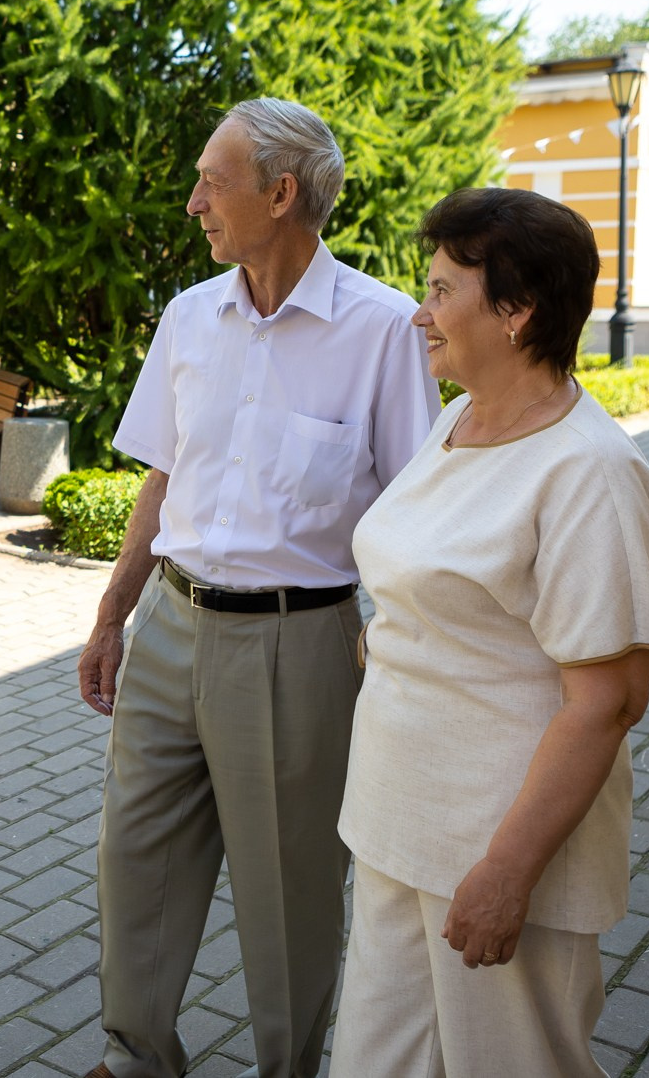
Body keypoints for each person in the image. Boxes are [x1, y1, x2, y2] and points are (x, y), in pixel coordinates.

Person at [79, 98, 438, 1078]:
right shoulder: (192, 317)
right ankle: (135, 1056)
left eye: (211, 180)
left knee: (290, 895)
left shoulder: (380, 330)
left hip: (297, 645)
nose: (193, 200)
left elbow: (416, 514)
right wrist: (114, 609)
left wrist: (402, 667)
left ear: (280, 195)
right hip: (169, 624)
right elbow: (161, 473)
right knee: (134, 859)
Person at [331, 187, 649, 1077]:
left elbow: (606, 702)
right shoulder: (459, 419)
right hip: (397, 824)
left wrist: (506, 873)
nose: (421, 313)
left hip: (490, 851)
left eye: (444, 290)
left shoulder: (588, 472)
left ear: (516, 311)